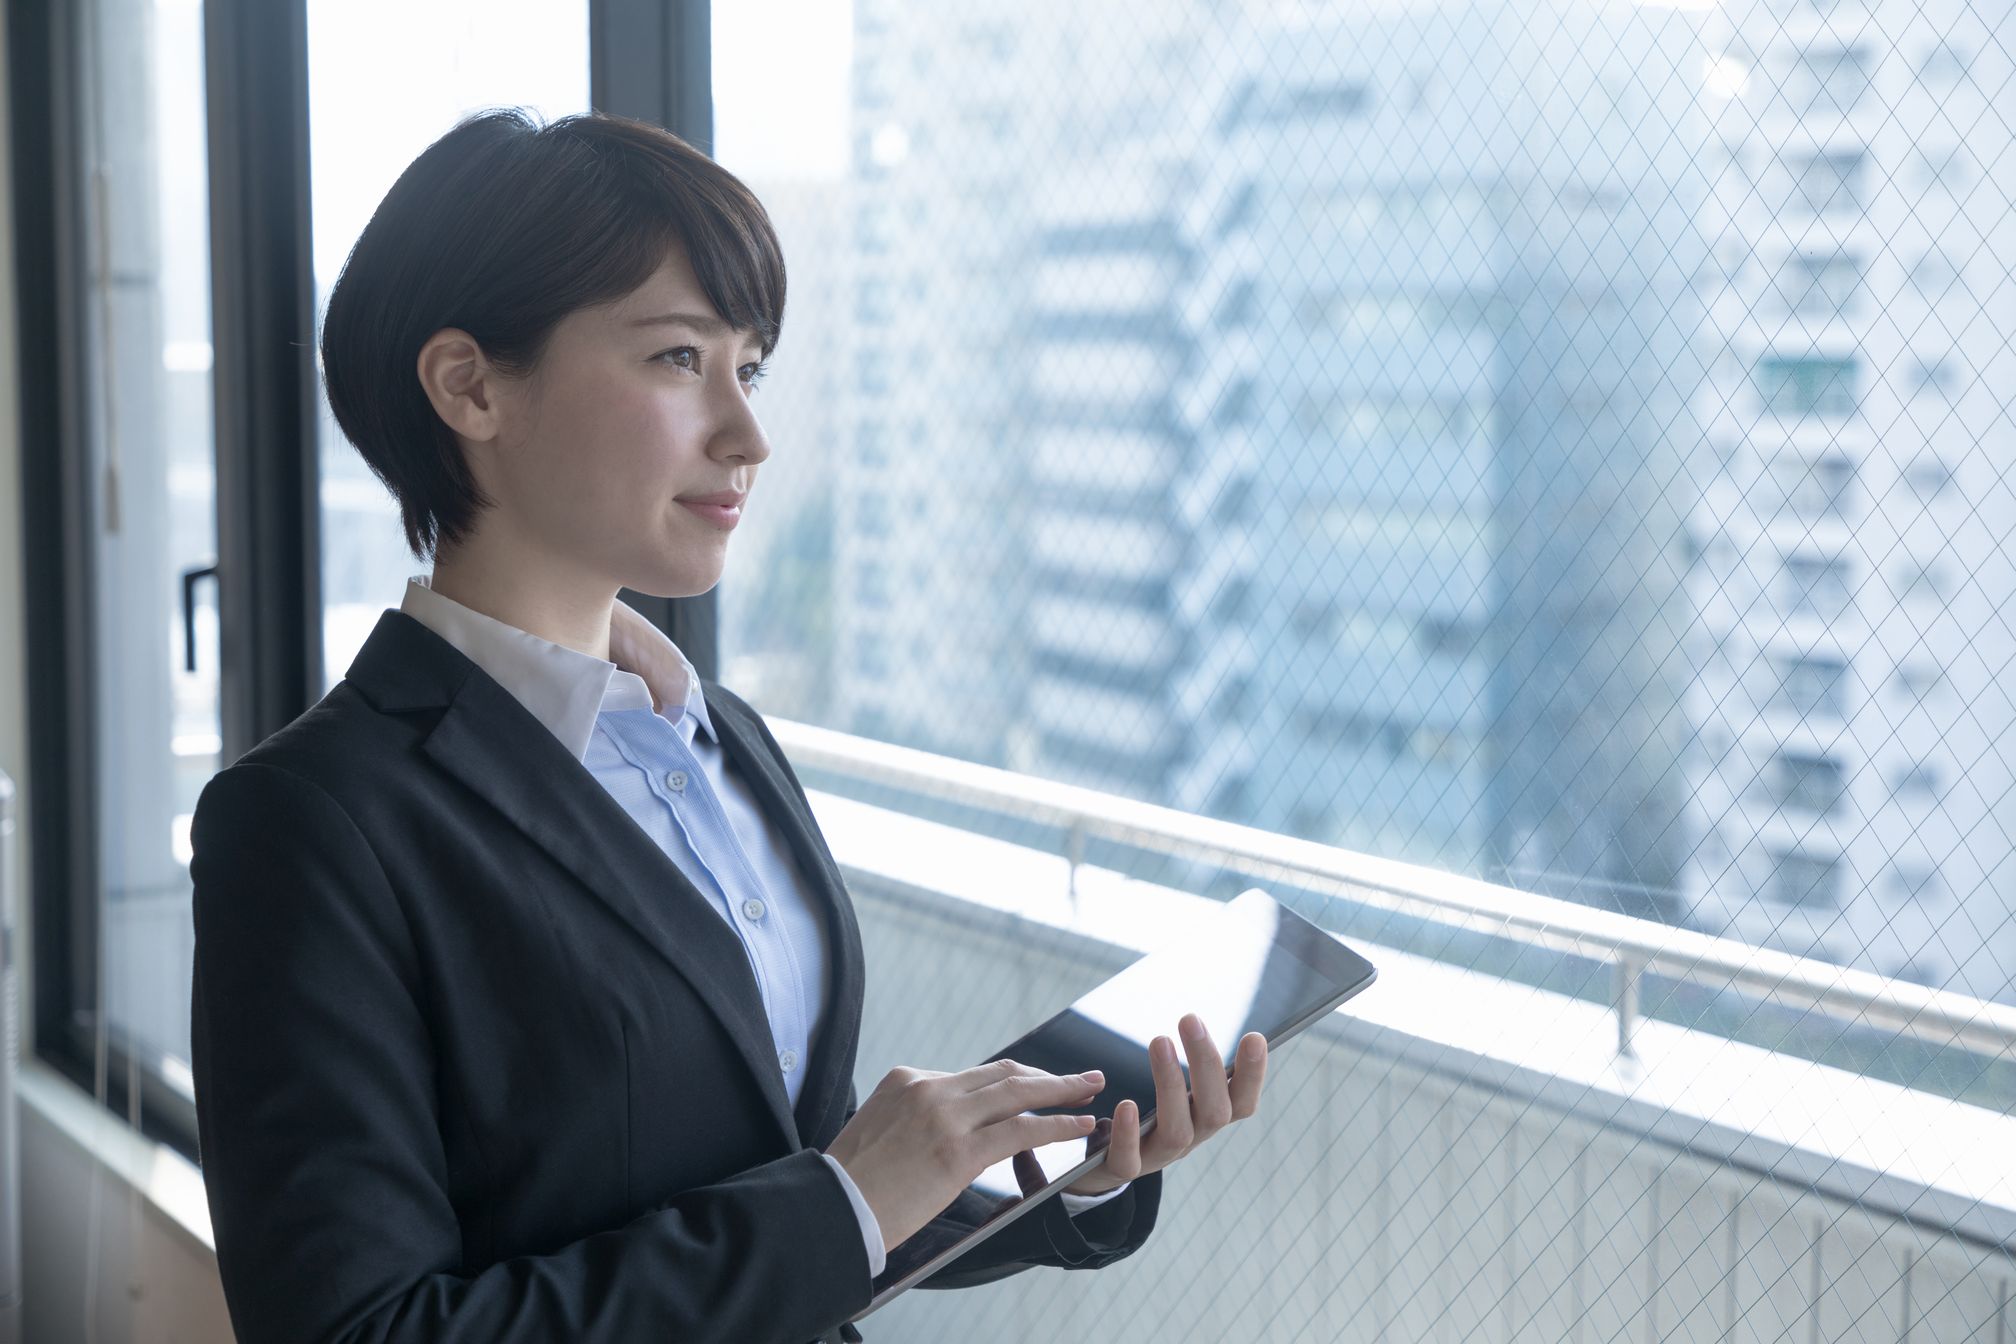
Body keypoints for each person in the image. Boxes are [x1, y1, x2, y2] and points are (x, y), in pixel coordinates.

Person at [187, 107, 1272, 1344]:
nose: (747, 435)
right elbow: (363, 1331)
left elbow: (790, 1179)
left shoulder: (723, 743)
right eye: (676, 360)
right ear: (470, 386)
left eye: (746, 368)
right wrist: (847, 1198)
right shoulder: (311, 825)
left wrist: (1064, 1162)